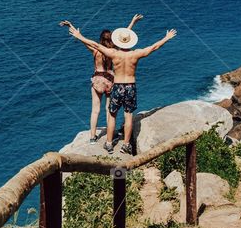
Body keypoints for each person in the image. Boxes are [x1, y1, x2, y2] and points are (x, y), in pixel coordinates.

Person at [67, 24, 177, 154]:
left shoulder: (114, 53)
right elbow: (153, 47)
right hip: (130, 86)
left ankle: (108, 144)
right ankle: (126, 145)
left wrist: (79, 36)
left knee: (112, 115)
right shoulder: (136, 54)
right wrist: (166, 38)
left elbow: (95, 45)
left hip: (118, 86)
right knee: (128, 115)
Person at [60, 14, 143, 142]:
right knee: (109, 110)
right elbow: (124, 38)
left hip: (97, 80)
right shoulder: (113, 50)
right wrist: (132, 22)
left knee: (95, 110)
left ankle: (93, 137)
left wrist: (72, 28)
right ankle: (111, 136)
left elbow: (85, 40)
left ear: (100, 39)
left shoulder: (96, 50)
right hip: (110, 80)